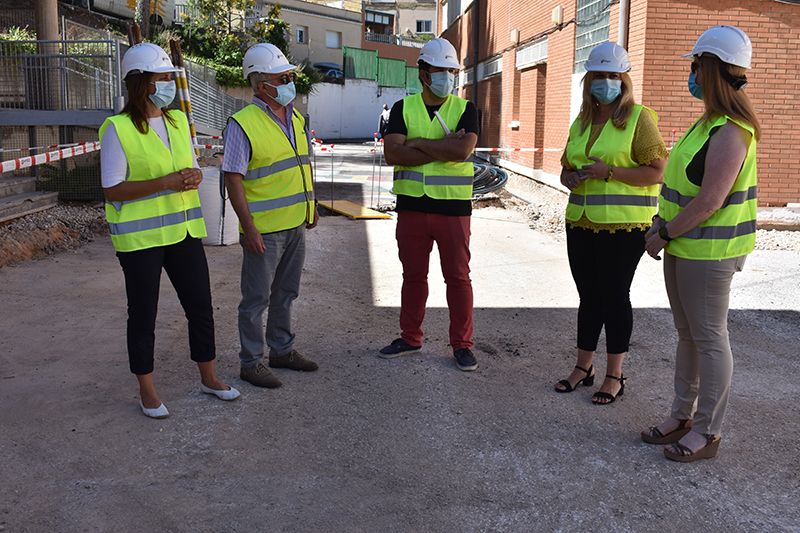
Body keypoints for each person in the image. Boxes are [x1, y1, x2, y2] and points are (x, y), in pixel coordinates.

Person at [100, 43, 239, 419]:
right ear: (141, 82)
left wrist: (194, 176)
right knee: (143, 314)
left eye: (169, 78)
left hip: (183, 232)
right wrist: (164, 182)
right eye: (161, 78)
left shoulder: (177, 122)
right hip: (140, 240)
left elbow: (188, 168)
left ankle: (209, 377)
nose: (168, 85)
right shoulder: (117, 128)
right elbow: (112, 189)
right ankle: (147, 390)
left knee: (200, 306)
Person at [641, 26, 760, 462]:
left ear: (708, 69)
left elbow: (710, 200)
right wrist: (661, 224)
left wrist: (665, 233)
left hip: (708, 253)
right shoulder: (706, 122)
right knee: (687, 335)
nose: (689, 74)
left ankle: (709, 432)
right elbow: (679, 187)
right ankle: (681, 415)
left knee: (709, 339)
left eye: (694, 66)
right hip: (683, 247)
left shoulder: (733, 130)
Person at [554, 42, 667, 404]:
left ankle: (615, 375)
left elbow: (657, 172)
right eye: (598, 76)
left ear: (624, 80)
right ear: (588, 81)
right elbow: (565, 166)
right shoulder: (583, 120)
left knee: (615, 298)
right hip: (581, 223)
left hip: (624, 228)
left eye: (612, 76)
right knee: (588, 297)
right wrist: (568, 177)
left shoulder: (639, 118)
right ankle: (582, 368)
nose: (605, 82)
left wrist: (610, 172)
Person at [380, 38, 480, 372]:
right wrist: (440, 145)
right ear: (423, 73)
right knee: (413, 277)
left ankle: (462, 345)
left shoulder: (466, 109)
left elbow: (461, 152)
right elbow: (393, 153)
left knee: (458, 279)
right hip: (411, 209)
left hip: (453, 211)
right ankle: (410, 337)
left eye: (451, 71)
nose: (446, 78)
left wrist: (418, 144)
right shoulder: (401, 108)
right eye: (440, 71)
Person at [223, 43, 319, 389]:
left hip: (295, 223)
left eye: (290, 76)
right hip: (264, 230)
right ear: (262, 84)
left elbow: (302, 165)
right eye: (284, 77)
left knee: (286, 293)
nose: (291, 81)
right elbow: (233, 178)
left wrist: (312, 205)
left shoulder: (294, 117)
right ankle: (250, 362)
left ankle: (282, 349)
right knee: (256, 299)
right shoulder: (243, 124)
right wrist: (248, 228)